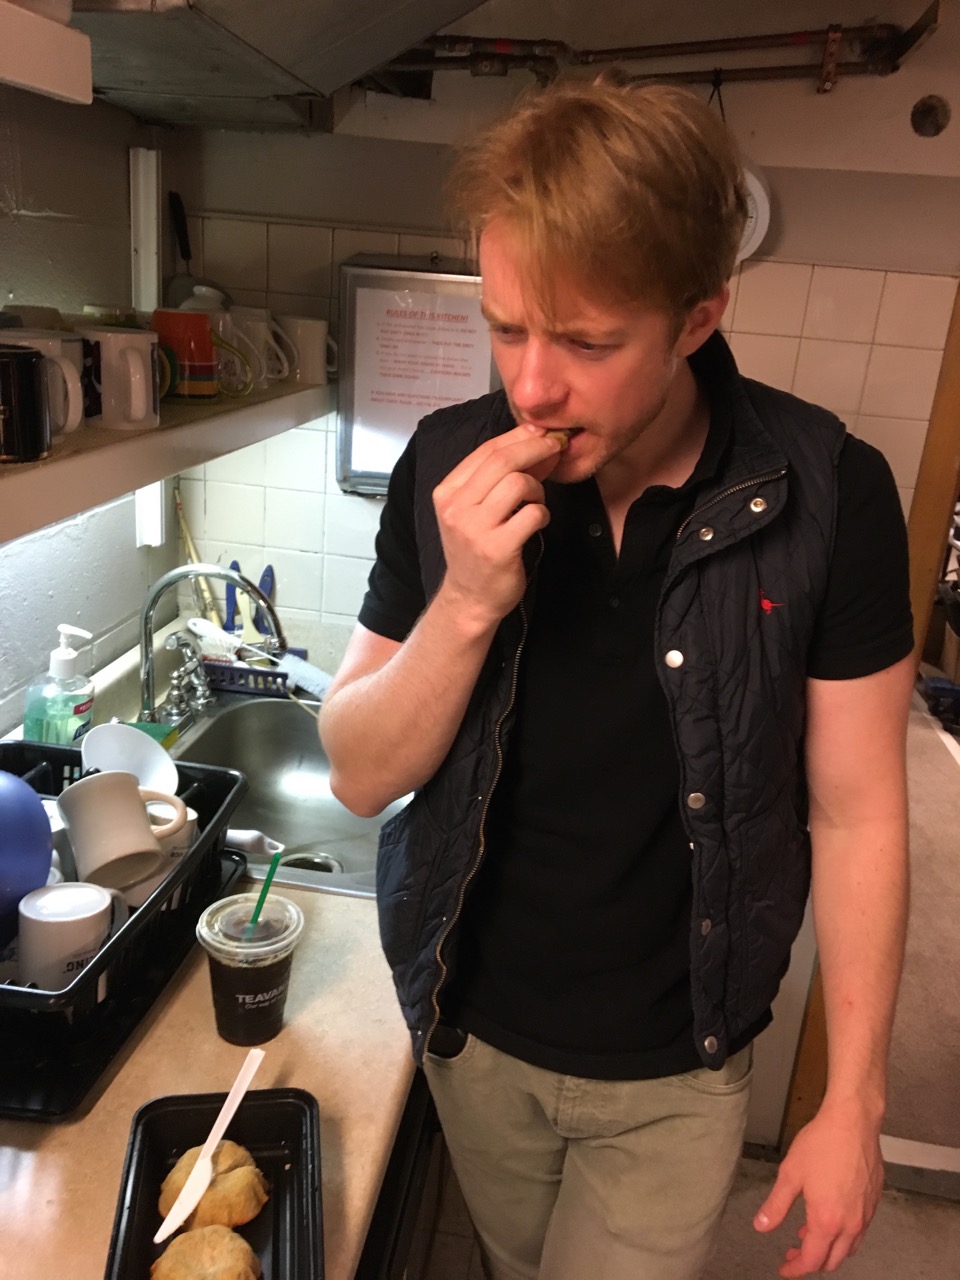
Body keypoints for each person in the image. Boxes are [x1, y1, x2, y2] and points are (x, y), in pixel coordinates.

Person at [319, 76, 914, 1280]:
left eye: (588, 342)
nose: (532, 386)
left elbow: (858, 816)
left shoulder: (828, 491)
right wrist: (469, 601)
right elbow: (358, 771)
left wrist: (853, 1099)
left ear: (700, 317)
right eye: (505, 326)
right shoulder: (445, 461)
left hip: (677, 1069)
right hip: (471, 1037)